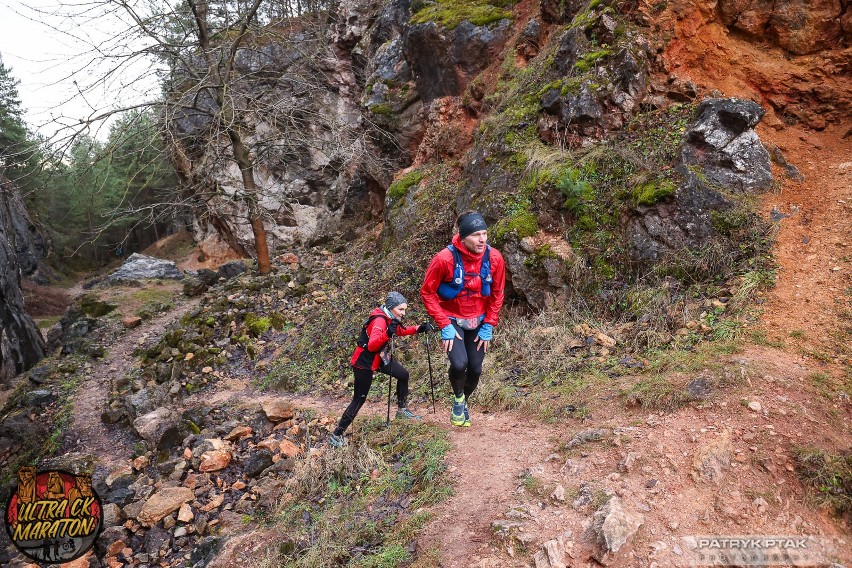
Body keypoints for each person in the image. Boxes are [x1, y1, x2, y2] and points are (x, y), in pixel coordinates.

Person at [421, 210, 505, 427]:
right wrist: (443, 324)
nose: (482, 239)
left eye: (485, 233)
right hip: (452, 320)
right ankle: (459, 398)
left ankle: (462, 402)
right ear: (462, 236)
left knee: (475, 368)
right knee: (460, 364)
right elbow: (427, 293)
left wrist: (489, 324)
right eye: (476, 235)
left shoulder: (494, 258)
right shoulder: (444, 259)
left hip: (479, 321)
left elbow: (497, 293)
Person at [329, 291, 433, 447]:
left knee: (403, 374)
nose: (403, 313)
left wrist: (419, 328)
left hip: (379, 358)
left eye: (404, 309)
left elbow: (399, 330)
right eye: (401, 310)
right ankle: (337, 435)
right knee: (359, 399)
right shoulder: (379, 321)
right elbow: (372, 345)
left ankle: (402, 410)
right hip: (364, 362)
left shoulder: (389, 317)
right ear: (391, 308)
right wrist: (387, 333)